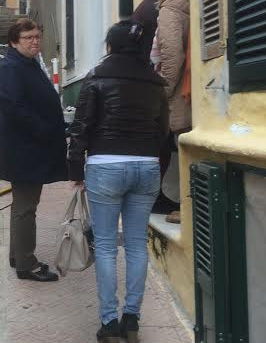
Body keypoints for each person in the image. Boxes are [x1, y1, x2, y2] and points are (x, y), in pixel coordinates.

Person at [68, 20, 168, 343]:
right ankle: (132, 320)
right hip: (147, 166)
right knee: (138, 245)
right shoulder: (156, 82)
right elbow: (162, 132)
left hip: (106, 165)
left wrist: (75, 169)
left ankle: (109, 324)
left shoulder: (96, 76)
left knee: (108, 246)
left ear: (110, 45)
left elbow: (81, 125)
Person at [0, 18, 67, 282]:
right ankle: (27, 264)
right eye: (29, 38)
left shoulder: (27, 63)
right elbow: (14, 107)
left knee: (22, 205)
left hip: (29, 145)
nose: (35, 41)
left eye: (37, 37)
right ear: (14, 42)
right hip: (25, 147)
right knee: (26, 207)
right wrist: (44, 129)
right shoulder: (13, 67)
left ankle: (18, 256)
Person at [154, 0, 191, 224]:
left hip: (180, 93)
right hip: (193, 88)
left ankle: (187, 208)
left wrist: (162, 92)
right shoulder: (189, 2)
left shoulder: (169, 9)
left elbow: (171, 57)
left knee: (183, 146)